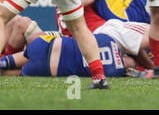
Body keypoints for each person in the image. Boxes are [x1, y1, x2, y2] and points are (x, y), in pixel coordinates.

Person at [0, 33, 132, 78]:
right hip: (47, 68)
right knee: (8, 74)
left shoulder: (108, 39)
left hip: (46, 44)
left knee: (13, 60)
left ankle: (3, 62)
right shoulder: (116, 72)